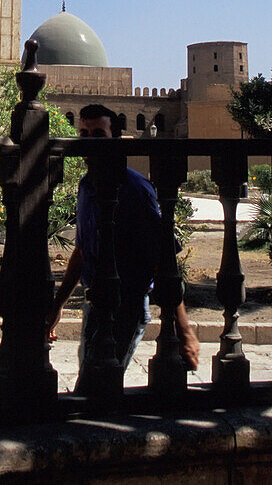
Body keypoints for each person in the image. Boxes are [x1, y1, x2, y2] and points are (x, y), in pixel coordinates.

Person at [47, 103, 199, 389]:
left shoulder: (135, 189)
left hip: (126, 305)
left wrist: (184, 330)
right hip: (96, 304)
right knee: (89, 387)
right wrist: (58, 305)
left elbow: (162, 260)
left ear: (115, 139)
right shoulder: (86, 186)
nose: (90, 142)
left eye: (98, 135)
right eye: (84, 134)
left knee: (96, 387)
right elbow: (82, 251)